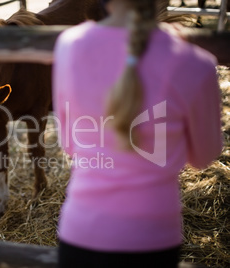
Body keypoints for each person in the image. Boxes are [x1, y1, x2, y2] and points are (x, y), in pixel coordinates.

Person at [52, 0, 223, 267]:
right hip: (152, 236)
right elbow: (204, 156)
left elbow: (69, 144)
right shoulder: (195, 64)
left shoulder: (69, 46)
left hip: (81, 232)